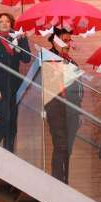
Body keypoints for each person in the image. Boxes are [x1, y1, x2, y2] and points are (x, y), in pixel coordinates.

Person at [0, 12, 31, 152]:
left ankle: (8, 152)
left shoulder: (17, 38)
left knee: (12, 122)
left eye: (7, 21)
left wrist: (23, 41)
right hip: (0, 85)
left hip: (15, 85)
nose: (4, 24)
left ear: (11, 24)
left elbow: (26, 59)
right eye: (1, 21)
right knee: (5, 118)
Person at [43, 28, 84, 184]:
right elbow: (46, 83)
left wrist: (79, 112)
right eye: (65, 40)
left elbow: (79, 87)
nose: (69, 44)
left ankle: (65, 180)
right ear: (56, 41)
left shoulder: (71, 61)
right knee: (60, 145)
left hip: (72, 110)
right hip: (56, 108)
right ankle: (57, 181)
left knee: (68, 148)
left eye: (69, 40)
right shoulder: (48, 57)